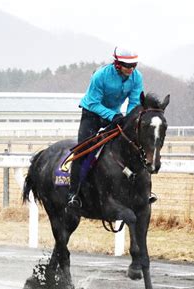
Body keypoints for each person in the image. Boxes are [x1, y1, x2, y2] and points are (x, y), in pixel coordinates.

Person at [66, 46, 156, 213]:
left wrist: (128, 120)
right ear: (117, 64)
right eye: (127, 66)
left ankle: (141, 192)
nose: (131, 69)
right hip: (92, 114)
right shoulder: (101, 76)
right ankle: (73, 194)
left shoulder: (137, 77)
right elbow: (93, 103)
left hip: (115, 116)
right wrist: (113, 115)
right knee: (84, 150)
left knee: (131, 146)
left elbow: (135, 102)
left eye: (134, 65)